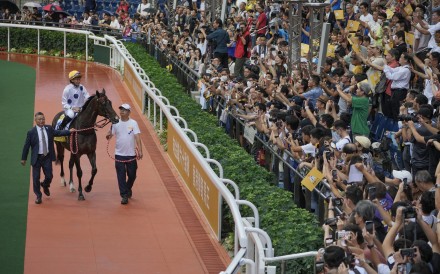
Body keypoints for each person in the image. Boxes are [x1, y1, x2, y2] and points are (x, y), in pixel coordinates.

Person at [21, 112, 73, 204]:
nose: (42, 121)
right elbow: (26, 146)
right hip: (36, 159)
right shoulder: (31, 132)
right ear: (35, 120)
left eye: (43, 119)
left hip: (47, 157)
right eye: (39, 119)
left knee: (49, 176)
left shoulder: (49, 128)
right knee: (36, 178)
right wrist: (23, 158)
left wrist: (69, 131)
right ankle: (38, 196)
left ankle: (45, 185)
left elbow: (58, 132)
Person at [106, 103, 143, 205]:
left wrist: (140, 150)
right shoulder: (115, 123)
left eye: (125, 110)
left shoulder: (133, 123)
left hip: (131, 154)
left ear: (129, 112)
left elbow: (137, 137)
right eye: (121, 109)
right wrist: (108, 135)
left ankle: (128, 188)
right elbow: (110, 135)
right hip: (119, 154)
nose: (122, 111)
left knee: (132, 175)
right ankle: (124, 195)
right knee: (121, 176)